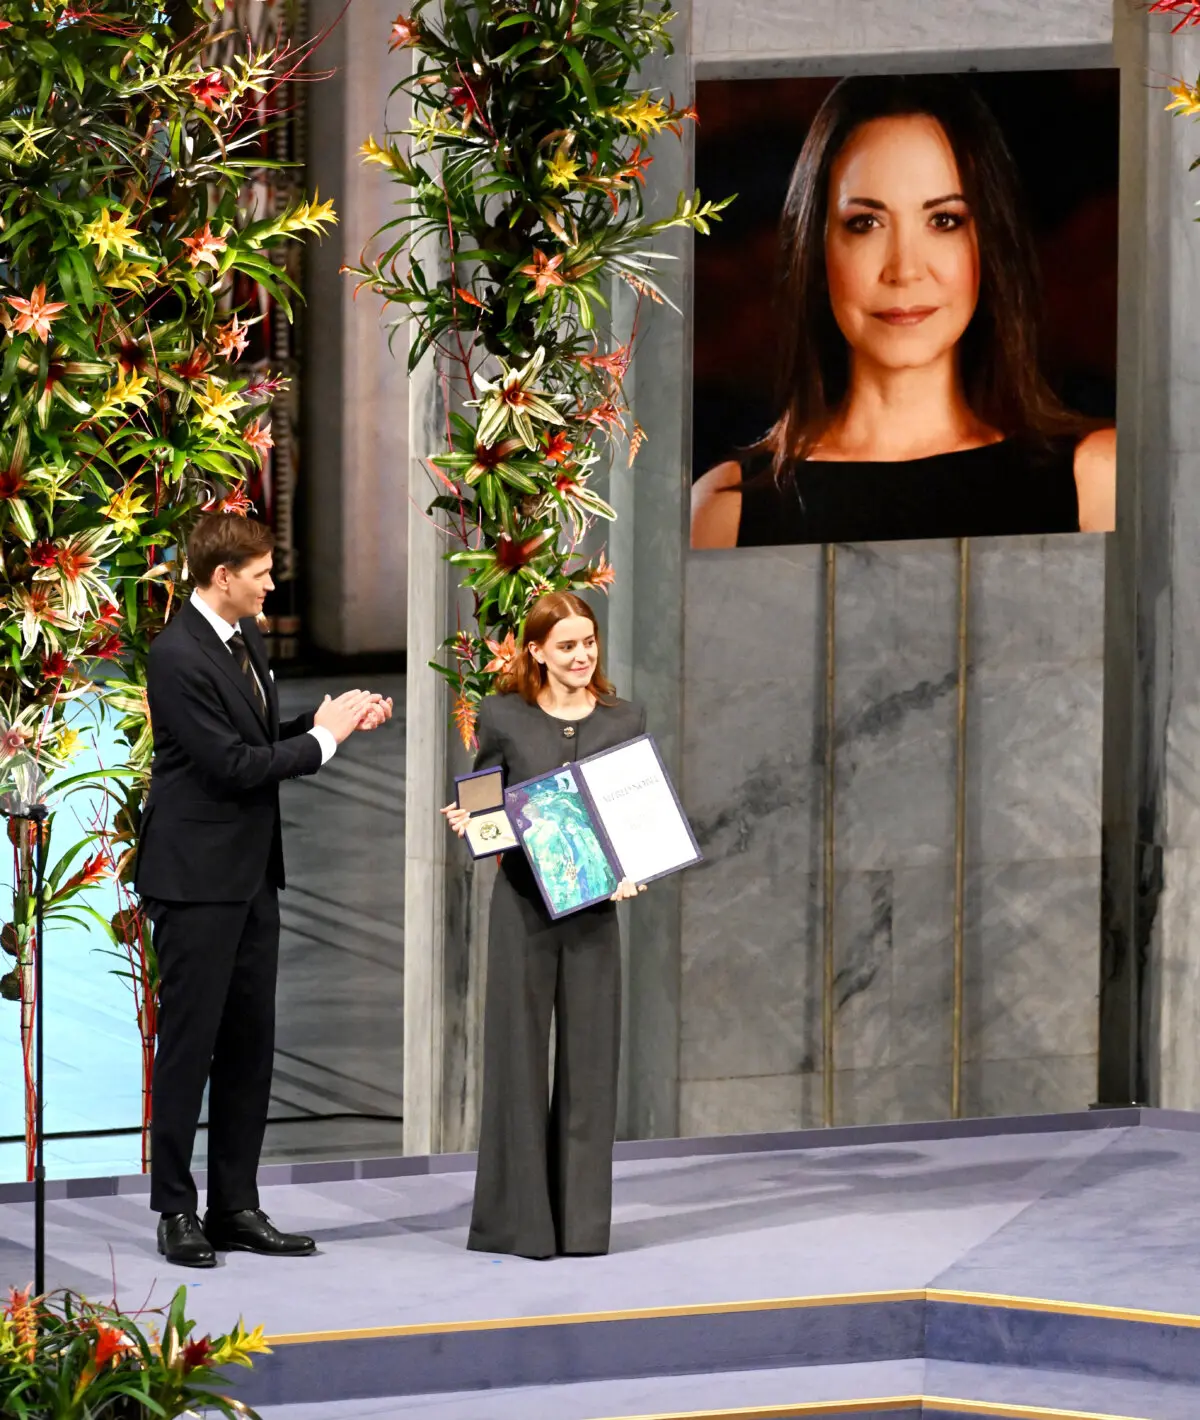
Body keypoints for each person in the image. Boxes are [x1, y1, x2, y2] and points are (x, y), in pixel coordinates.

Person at [691, 74, 1117, 549]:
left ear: (988, 243)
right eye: (865, 223)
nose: (905, 269)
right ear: (815, 248)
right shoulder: (724, 512)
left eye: (943, 220)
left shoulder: (1094, 483)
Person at [134, 513, 393, 1268]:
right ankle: (176, 1210)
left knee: (250, 1046)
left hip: (251, 879)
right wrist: (326, 742)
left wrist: (324, 718)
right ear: (224, 578)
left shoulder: (242, 639)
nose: (272, 583)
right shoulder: (176, 655)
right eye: (261, 572)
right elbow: (230, 766)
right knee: (189, 1048)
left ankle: (235, 1205)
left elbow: (254, 733)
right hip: (194, 883)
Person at [443, 592, 645, 1259]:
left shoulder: (624, 719)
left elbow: (636, 814)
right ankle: (518, 1226)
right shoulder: (503, 716)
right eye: (566, 645)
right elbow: (484, 803)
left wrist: (634, 866)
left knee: (590, 1067)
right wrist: (472, 822)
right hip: (524, 909)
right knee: (517, 1063)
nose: (582, 656)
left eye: (588, 642)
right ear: (535, 652)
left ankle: (583, 1229)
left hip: (594, 917)